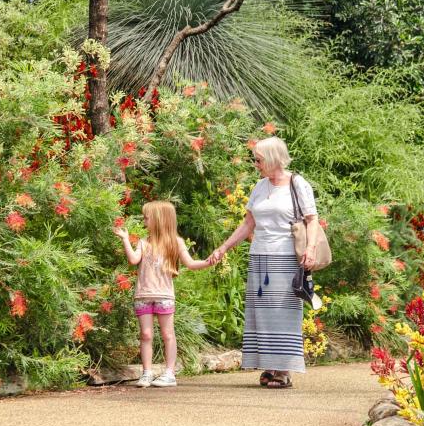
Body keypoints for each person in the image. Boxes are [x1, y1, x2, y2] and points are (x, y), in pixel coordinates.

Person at [208, 137, 317, 389]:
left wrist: (310, 249)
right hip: (260, 256)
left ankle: (284, 369)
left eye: (258, 159)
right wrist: (224, 247)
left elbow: (312, 220)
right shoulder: (259, 186)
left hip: (287, 257)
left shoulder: (298, 184)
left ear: (272, 158)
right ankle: (269, 366)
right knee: (263, 314)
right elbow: (248, 224)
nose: (255, 164)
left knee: (283, 312)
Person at [114, 201, 214, 388]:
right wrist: (125, 239)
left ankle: (169, 372)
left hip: (164, 297)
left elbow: (191, 264)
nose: (144, 220)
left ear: (158, 220)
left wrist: (209, 262)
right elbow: (133, 259)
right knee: (145, 334)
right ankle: (147, 372)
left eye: (146, 217)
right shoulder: (144, 243)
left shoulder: (176, 242)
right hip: (143, 296)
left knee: (168, 334)